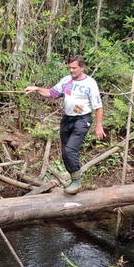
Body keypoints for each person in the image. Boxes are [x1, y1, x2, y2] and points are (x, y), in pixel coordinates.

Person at [24, 55, 106, 194]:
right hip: (67, 119)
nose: (71, 70)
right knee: (65, 153)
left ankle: (76, 181)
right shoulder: (66, 80)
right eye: (70, 68)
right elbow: (51, 93)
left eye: (74, 68)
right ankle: (73, 179)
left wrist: (99, 126)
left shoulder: (90, 83)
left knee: (70, 150)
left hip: (82, 119)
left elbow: (98, 106)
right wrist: (36, 88)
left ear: (82, 67)